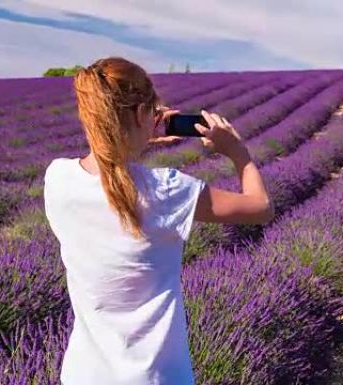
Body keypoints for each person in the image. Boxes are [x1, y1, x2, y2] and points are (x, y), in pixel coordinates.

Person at [43, 56, 274, 385]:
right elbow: (261, 207)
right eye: (151, 112)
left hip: (84, 374)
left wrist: (135, 135)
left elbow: (110, 170)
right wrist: (238, 153)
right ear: (141, 115)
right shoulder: (165, 190)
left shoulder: (58, 178)